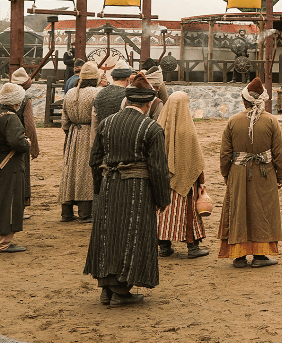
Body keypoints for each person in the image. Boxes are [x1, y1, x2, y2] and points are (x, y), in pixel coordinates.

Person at [84, 72, 171, 307]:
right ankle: (121, 291)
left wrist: (99, 189)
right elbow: (158, 168)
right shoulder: (151, 129)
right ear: (149, 102)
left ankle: (107, 290)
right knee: (131, 235)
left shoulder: (107, 123)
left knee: (108, 235)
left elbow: (95, 160)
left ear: (128, 99)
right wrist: (163, 199)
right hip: (138, 189)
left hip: (110, 186)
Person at [217, 77, 282, 268]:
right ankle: (260, 256)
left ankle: (239, 256)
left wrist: (226, 175)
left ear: (244, 101)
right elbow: (279, 153)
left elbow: (225, 153)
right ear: (262, 101)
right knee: (263, 212)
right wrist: (280, 176)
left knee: (239, 211)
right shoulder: (272, 122)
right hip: (266, 173)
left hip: (238, 173)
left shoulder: (233, 121)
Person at [0, 82, 33, 253]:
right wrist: (27, 143)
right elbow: (16, 142)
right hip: (9, 167)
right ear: (16, 101)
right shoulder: (11, 118)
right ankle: (2, 243)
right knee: (8, 202)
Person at [156, 92, 209, 258]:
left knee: (162, 214)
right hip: (185, 183)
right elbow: (195, 159)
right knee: (187, 213)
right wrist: (201, 181)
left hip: (162, 181)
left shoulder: (158, 127)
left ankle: (164, 246)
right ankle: (192, 248)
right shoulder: (188, 131)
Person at [0, 67, 41, 215]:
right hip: (18, 142)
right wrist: (33, 147)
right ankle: (18, 210)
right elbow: (29, 125)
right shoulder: (25, 99)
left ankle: (1, 208)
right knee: (20, 176)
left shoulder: (0, 96)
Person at [60, 60, 100, 222]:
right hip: (88, 134)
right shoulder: (96, 93)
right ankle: (85, 213)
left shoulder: (70, 93)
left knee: (70, 172)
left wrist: (70, 132)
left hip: (72, 134)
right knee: (85, 173)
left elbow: (64, 121)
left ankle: (66, 212)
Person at [92, 60, 132, 143]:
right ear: (128, 79)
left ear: (113, 78)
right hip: (122, 142)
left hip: (103, 141)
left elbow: (94, 124)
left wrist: (94, 146)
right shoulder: (128, 96)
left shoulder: (99, 94)